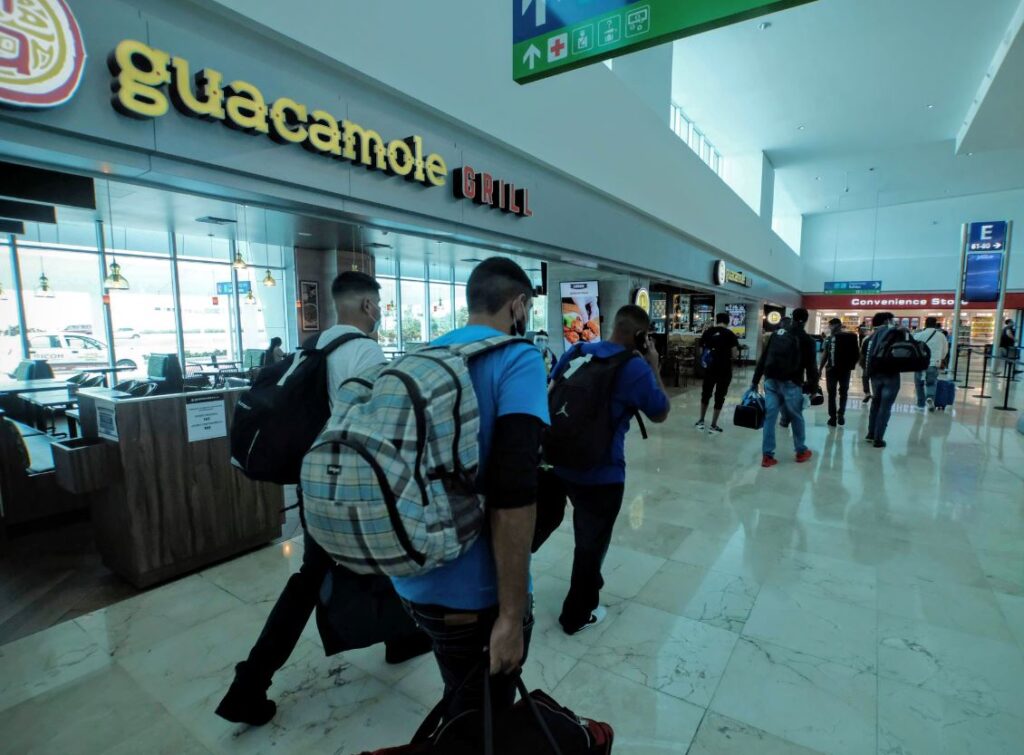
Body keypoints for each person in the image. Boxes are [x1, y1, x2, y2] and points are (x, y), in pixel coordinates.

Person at [217, 272, 427, 726]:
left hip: (313, 483)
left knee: (328, 572)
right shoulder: (365, 350)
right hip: (348, 484)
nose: (380, 313)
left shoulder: (311, 346)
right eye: (379, 305)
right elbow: (375, 422)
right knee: (367, 560)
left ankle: (399, 637)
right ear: (369, 306)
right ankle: (250, 683)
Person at [391, 258, 549, 722]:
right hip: (475, 594)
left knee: (463, 693)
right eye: (529, 309)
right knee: (484, 720)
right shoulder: (518, 359)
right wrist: (511, 615)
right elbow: (515, 495)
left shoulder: (420, 357)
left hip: (412, 577)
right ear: (518, 306)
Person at [547, 305, 670, 635]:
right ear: (641, 336)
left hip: (557, 461)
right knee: (590, 544)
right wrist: (654, 366)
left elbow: (552, 387)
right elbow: (660, 411)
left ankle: (510, 586)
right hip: (601, 472)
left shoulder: (577, 350)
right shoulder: (634, 368)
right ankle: (577, 615)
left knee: (547, 525)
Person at [751, 307, 817, 467]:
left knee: (770, 418)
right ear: (806, 320)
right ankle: (801, 451)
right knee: (796, 416)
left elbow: (764, 358)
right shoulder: (807, 340)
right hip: (791, 382)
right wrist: (813, 388)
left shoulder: (777, 334)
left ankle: (767, 456)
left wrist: (755, 381)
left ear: (792, 318)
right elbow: (811, 367)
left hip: (771, 380)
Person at [695, 312, 740, 433]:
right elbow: (735, 354)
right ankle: (713, 424)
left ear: (716, 320)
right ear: (727, 321)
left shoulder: (707, 332)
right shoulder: (730, 334)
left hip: (709, 369)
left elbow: (700, 351)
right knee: (720, 396)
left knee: (706, 394)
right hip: (724, 370)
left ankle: (701, 420)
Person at [864, 312, 900, 448]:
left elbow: (866, 358)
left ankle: (870, 433)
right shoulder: (892, 331)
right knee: (885, 407)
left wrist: (866, 379)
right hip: (890, 373)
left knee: (876, 403)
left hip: (875, 374)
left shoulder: (869, 337)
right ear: (887, 320)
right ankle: (879, 438)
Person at [819, 318, 860, 427]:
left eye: (830, 326)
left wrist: (820, 369)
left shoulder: (829, 339)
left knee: (832, 393)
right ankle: (841, 413)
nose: (830, 328)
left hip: (831, 370)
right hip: (845, 370)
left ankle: (832, 417)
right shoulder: (851, 337)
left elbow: (825, 355)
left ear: (833, 326)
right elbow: (857, 354)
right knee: (843, 392)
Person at [913, 316, 949, 412]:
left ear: (925, 324)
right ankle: (930, 398)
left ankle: (920, 405)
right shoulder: (941, 336)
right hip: (933, 363)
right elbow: (945, 350)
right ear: (935, 324)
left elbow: (912, 348)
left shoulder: (918, 335)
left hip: (920, 364)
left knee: (919, 384)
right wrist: (940, 358)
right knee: (931, 383)